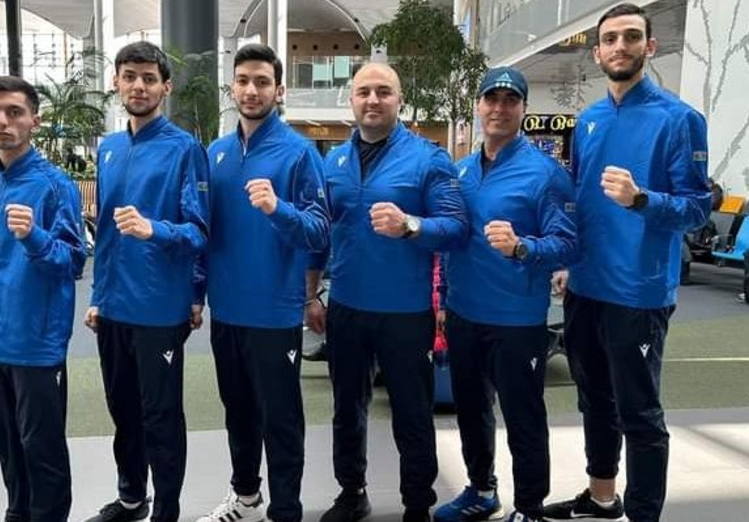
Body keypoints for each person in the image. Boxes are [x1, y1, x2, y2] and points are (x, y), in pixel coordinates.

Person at [543, 3, 710, 522]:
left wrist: (642, 199)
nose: (620, 46)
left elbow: (697, 209)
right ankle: (601, 497)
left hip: (638, 292)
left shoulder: (680, 120)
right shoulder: (589, 120)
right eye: (610, 39)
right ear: (596, 53)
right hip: (585, 286)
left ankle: (643, 514)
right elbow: (583, 203)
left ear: (649, 46)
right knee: (594, 399)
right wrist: (567, 260)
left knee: (639, 412)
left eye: (631, 36)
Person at [307, 62, 468, 522]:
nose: (373, 100)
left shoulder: (429, 159)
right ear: (351, 101)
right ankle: (351, 491)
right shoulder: (333, 162)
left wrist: (411, 225)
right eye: (364, 92)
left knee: (412, 414)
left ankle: (418, 503)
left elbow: (457, 228)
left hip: (405, 313)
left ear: (400, 100)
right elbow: (320, 236)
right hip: (346, 309)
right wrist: (311, 294)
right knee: (346, 409)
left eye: (383, 91)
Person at [193, 43, 329, 522]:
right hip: (227, 310)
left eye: (262, 82)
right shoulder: (216, 153)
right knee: (238, 412)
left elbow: (319, 231)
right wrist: (196, 294)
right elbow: (203, 232)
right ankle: (246, 498)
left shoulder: (299, 152)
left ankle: (286, 509)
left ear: (279, 90)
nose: (252, 90)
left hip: (274, 312)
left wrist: (278, 208)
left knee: (281, 419)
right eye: (244, 81)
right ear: (232, 87)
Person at [433, 67, 576, 522]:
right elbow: (450, 242)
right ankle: (481, 490)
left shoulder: (546, 173)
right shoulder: (459, 171)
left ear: (523, 109)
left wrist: (522, 247)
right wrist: (442, 298)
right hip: (463, 314)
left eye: (510, 100)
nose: (499, 108)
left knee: (523, 417)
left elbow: (568, 244)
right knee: (471, 411)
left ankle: (530, 508)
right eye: (491, 99)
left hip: (517, 321)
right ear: (478, 106)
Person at [0, 75, 87, 522]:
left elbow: (73, 261)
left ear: (34, 121)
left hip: (34, 344)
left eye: (14, 112)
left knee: (41, 450)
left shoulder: (55, 186)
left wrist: (34, 237)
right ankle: (17, 512)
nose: (2, 121)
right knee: (5, 443)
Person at [84, 41, 210, 522]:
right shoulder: (109, 149)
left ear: (165, 87)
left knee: (161, 416)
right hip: (113, 308)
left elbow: (199, 232)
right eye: (130, 76)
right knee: (123, 411)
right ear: (116, 83)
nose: (139, 86)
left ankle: (167, 511)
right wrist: (98, 296)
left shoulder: (185, 149)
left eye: (149, 78)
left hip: (159, 308)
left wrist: (153, 229)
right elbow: (106, 234)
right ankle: (132, 498)